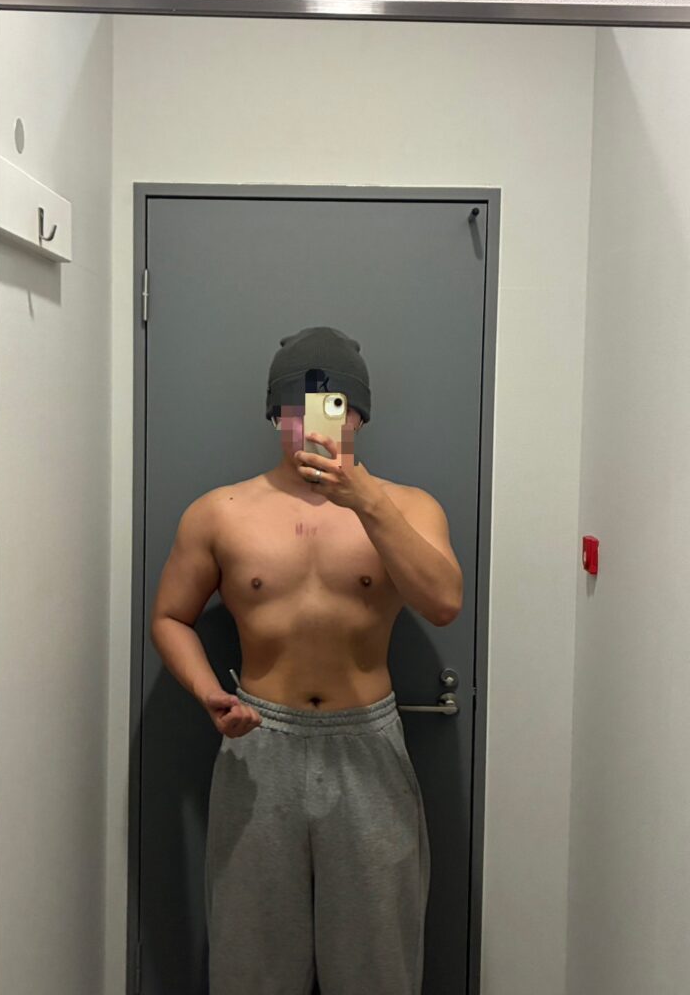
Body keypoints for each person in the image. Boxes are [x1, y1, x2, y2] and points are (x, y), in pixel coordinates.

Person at [150, 326, 463, 995]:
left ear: (360, 414)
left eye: (335, 406)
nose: (317, 423)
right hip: (259, 746)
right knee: (251, 963)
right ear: (275, 414)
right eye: (298, 407)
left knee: (378, 965)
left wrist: (366, 501)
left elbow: (443, 604)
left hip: (368, 748)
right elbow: (170, 617)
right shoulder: (220, 513)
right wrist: (207, 692)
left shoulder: (409, 507)